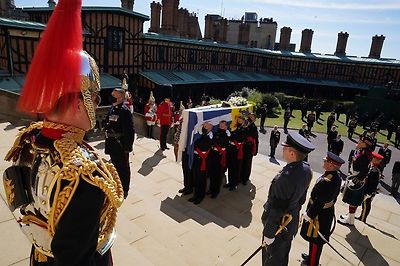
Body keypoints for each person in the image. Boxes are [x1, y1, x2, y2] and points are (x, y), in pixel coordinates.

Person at [2, 0, 124, 264]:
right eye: (93, 94)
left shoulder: (30, 138)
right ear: (79, 101)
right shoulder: (82, 175)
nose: (97, 102)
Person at [261, 132, 315, 266]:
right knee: (282, 257)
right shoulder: (306, 169)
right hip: (290, 222)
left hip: (278, 227)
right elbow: (301, 199)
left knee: (271, 260)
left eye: (285, 148)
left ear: (292, 153)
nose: (282, 149)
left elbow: (277, 208)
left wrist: (269, 234)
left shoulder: (286, 177)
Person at [300, 152, 344, 266]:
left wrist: (309, 214)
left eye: (326, 161)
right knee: (313, 238)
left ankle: (313, 263)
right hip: (324, 212)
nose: (324, 161)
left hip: (319, 215)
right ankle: (311, 257)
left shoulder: (327, 181)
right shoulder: (335, 177)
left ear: (331, 165)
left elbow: (319, 202)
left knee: (316, 241)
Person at [105, 88, 135, 199]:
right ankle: (117, 184)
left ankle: (124, 189)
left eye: (114, 95)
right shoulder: (112, 108)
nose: (111, 97)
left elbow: (130, 131)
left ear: (121, 97)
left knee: (123, 168)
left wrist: (127, 147)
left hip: (121, 145)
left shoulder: (125, 111)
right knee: (114, 166)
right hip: (112, 144)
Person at [338, 135, 374, 226]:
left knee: (353, 202)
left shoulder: (364, 156)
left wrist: (354, 181)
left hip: (357, 181)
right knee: (352, 202)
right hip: (355, 178)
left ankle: (350, 221)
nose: (358, 142)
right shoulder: (363, 153)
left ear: (365, 145)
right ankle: (350, 218)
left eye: (361, 141)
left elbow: (364, 171)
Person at [189, 122, 213, 204]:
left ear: (210, 128)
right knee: (195, 177)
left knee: (202, 179)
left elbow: (202, 145)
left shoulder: (210, 136)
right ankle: (195, 195)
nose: (204, 127)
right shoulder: (200, 134)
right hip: (196, 158)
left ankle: (200, 196)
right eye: (204, 125)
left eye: (206, 126)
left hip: (203, 160)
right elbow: (194, 143)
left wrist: (198, 139)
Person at [357, 152, 383, 223]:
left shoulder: (375, 170)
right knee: (364, 205)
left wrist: (369, 193)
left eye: (373, 158)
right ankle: (362, 217)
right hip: (367, 189)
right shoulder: (372, 166)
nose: (372, 159)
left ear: (377, 160)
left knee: (366, 205)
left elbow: (373, 183)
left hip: (369, 191)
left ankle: (363, 219)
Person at [209, 120, 230, 198]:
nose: (220, 126)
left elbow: (222, 144)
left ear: (226, 126)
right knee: (212, 173)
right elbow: (212, 141)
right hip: (213, 154)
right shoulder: (217, 132)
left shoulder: (226, 134)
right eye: (220, 125)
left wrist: (215, 143)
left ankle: (215, 192)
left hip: (219, 155)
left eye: (222, 125)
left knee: (218, 175)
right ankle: (211, 189)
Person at [226, 115, 247, 191]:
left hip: (237, 149)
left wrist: (232, 137)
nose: (239, 121)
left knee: (236, 167)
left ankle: (234, 184)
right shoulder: (234, 128)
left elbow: (240, 138)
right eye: (238, 120)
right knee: (230, 166)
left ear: (243, 121)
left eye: (240, 120)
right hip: (231, 148)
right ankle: (230, 182)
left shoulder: (243, 129)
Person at [241, 113, 259, 185]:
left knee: (247, 163)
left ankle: (245, 178)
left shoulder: (254, 127)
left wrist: (255, 150)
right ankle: (240, 177)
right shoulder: (245, 125)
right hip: (243, 146)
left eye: (252, 117)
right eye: (249, 117)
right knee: (242, 162)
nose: (250, 118)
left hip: (249, 147)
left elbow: (256, 139)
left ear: (254, 119)